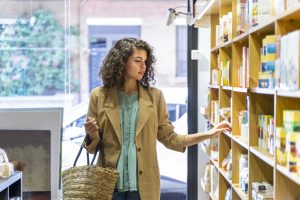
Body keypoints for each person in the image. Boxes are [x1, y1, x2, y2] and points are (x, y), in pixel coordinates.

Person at [84, 37, 231, 200]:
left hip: (143, 188)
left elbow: (171, 139)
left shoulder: (155, 96)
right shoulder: (99, 95)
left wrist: (209, 134)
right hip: (108, 187)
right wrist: (92, 134)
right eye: (137, 61)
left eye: (145, 62)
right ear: (121, 62)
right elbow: (92, 148)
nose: (143, 66)